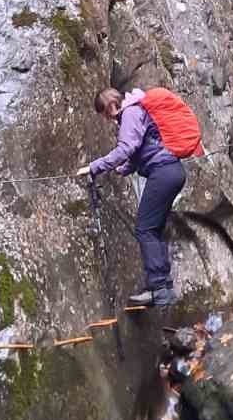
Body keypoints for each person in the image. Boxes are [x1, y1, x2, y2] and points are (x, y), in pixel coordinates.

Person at [78, 87, 183, 307]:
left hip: (163, 172)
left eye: (104, 113)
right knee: (154, 229)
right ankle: (164, 288)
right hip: (172, 170)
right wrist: (124, 169)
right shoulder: (138, 110)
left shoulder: (131, 112)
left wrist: (94, 167)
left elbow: (126, 148)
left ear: (110, 106)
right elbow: (141, 149)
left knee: (144, 229)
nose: (106, 119)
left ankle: (158, 290)